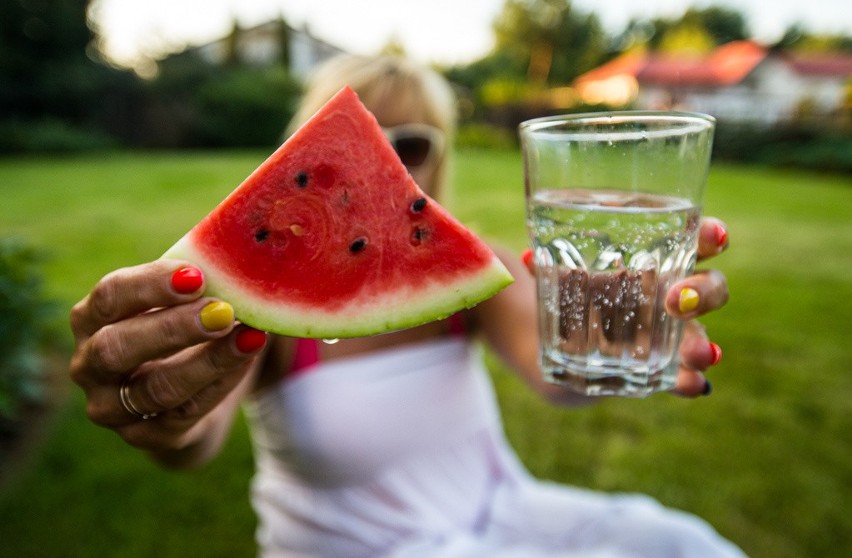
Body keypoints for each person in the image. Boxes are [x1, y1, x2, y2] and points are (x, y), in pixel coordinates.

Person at [69, 54, 742, 557]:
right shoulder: (258, 311)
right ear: (293, 157)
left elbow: (559, 374)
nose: (380, 166)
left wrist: (614, 338)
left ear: (439, 159)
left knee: (680, 541)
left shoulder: (484, 274)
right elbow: (193, 437)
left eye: (410, 145)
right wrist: (158, 414)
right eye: (347, 148)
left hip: (493, 519)